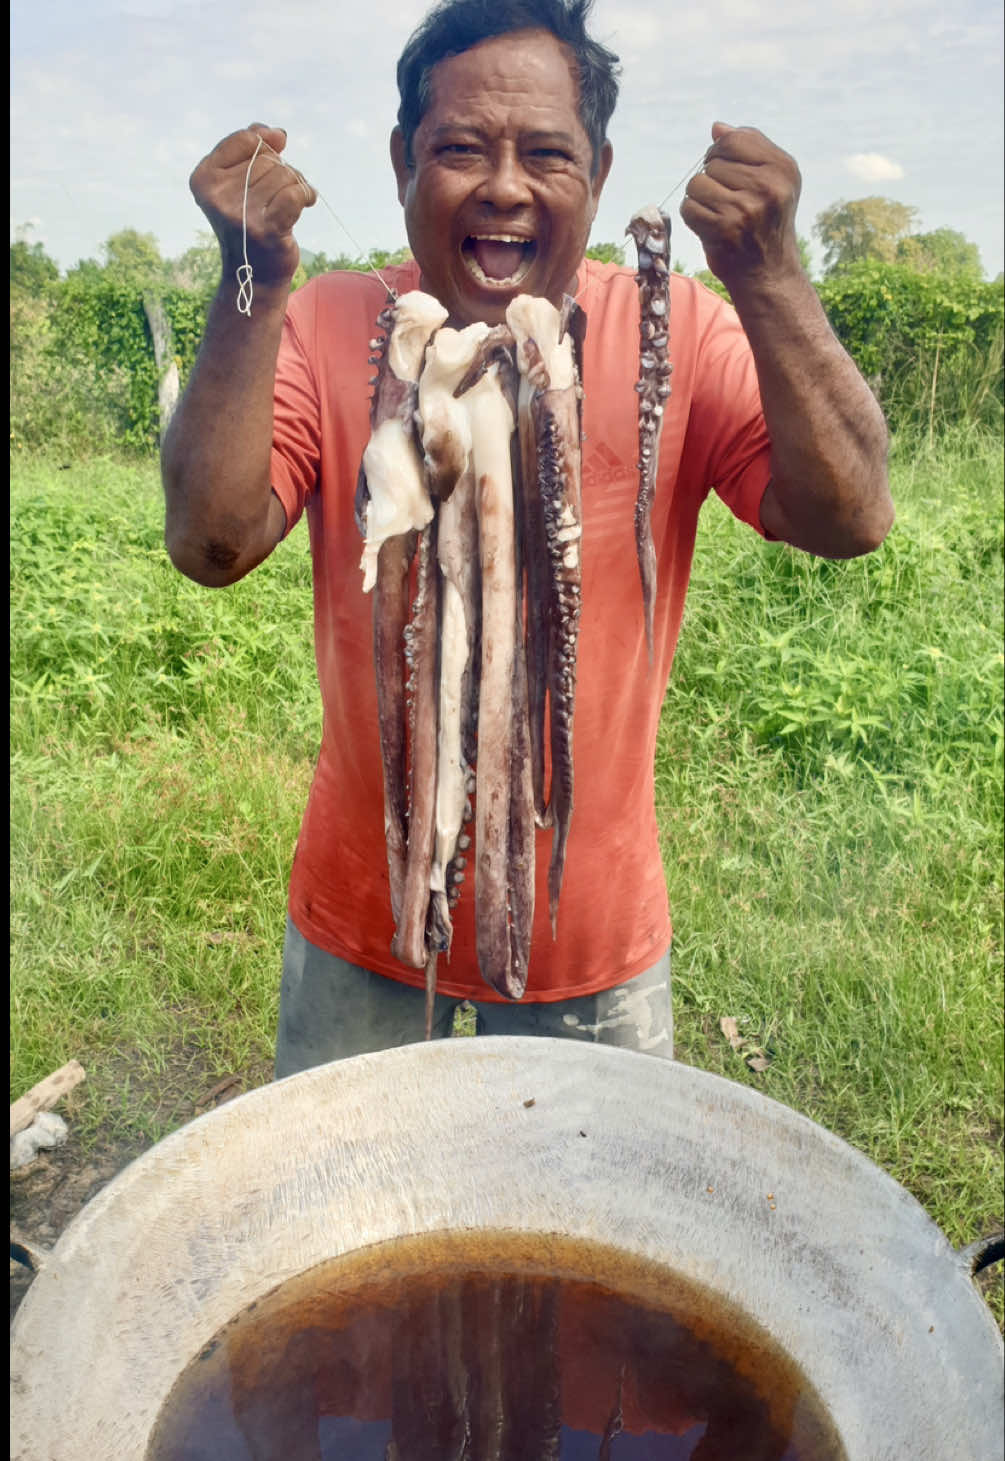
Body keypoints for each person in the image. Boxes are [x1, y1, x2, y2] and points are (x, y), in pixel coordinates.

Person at [161, 0, 892, 1078]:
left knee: (587, 1192)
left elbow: (850, 517)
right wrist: (251, 281)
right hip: (360, 918)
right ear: (403, 162)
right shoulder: (322, 320)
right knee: (351, 1177)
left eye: (547, 154)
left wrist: (772, 277)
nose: (504, 186)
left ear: (598, 174)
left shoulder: (681, 328)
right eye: (461, 149)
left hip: (590, 939)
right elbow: (211, 543)